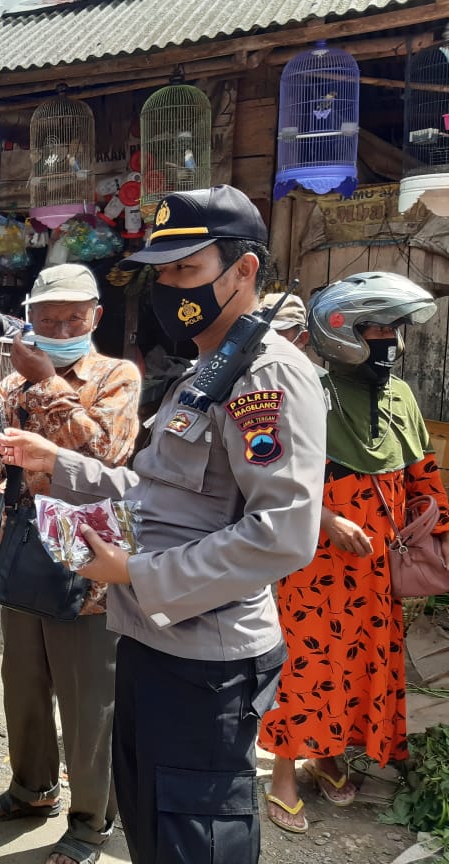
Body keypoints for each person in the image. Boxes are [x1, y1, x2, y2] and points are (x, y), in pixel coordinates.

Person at [0, 185, 328, 864]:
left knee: (194, 836)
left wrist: (135, 573)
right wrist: (57, 463)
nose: (170, 286)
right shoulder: (201, 375)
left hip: (207, 658)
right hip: (150, 637)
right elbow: (154, 495)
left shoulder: (266, 376)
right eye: (164, 272)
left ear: (244, 271)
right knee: (150, 823)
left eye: (188, 269)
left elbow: (283, 533)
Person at [0, 263, 141, 864]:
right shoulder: (8, 389)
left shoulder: (117, 376)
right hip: (26, 552)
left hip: (92, 564)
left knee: (88, 694)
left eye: (72, 317)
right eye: (46, 317)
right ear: (28, 319)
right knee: (23, 684)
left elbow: (108, 455)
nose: (59, 327)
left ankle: (90, 821)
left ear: (96, 317)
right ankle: (31, 790)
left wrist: (45, 381)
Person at [259, 272, 449, 833]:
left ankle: (331, 756)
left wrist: (433, 526)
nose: (388, 337)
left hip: (377, 564)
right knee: (308, 662)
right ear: (340, 330)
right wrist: (325, 517)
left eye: (395, 327)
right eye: (376, 326)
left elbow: (422, 473)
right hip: (316, 560)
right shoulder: (306, 388)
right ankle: (284, 775)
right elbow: (267, 476)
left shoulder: (400, 394)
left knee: (361, 666)